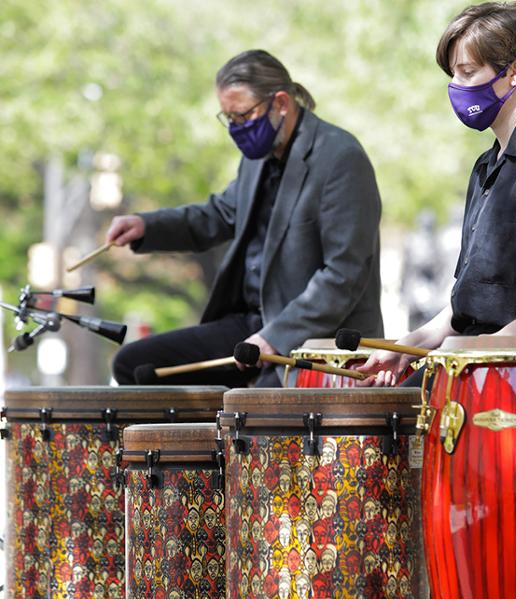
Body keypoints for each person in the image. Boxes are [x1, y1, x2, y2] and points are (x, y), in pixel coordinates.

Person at [360, 1, 516, 387]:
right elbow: (470, 304)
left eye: (468, 72)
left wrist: (500, 345)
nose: (456, 87)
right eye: (453, 75)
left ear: (514, 73)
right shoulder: (485, 167)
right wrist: (415, 341)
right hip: (476, 364)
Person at [107, 50, 383, 387]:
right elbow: (219, 214)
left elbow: (345, 274)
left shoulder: (340, 157)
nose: (237, 129)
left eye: (242, 116)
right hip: (250, 327)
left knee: (251, 417)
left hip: (312, 341)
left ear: (281, 102)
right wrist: (147, 226)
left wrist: (275, 336)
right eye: (229, 119)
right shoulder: (257, 157)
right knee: (133, 365)